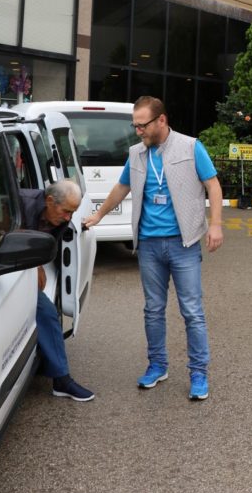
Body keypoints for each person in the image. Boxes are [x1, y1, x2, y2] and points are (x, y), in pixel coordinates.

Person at [83, 96, 223, 401]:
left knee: (192, 311)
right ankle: (157, 366)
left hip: (183, 243)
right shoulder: (136, 153)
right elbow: (122, 187)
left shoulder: (190, 147)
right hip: (148, 244)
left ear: (161, 120)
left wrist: (215, 225)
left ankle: (198, 373)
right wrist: (99, 215)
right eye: (134, 126)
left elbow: (212, 184)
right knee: (153, 310)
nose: (138, 131)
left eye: (142, 125)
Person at [0, 181, 96, 402]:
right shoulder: (17, 204)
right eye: (66, 211)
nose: (68, 218)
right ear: (50, 201)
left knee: (47, 312)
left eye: (72, 213)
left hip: (23, 268)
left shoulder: (61, 217)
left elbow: (50, 244)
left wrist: (39, 262)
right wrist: (34, 265)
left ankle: (61, 380)